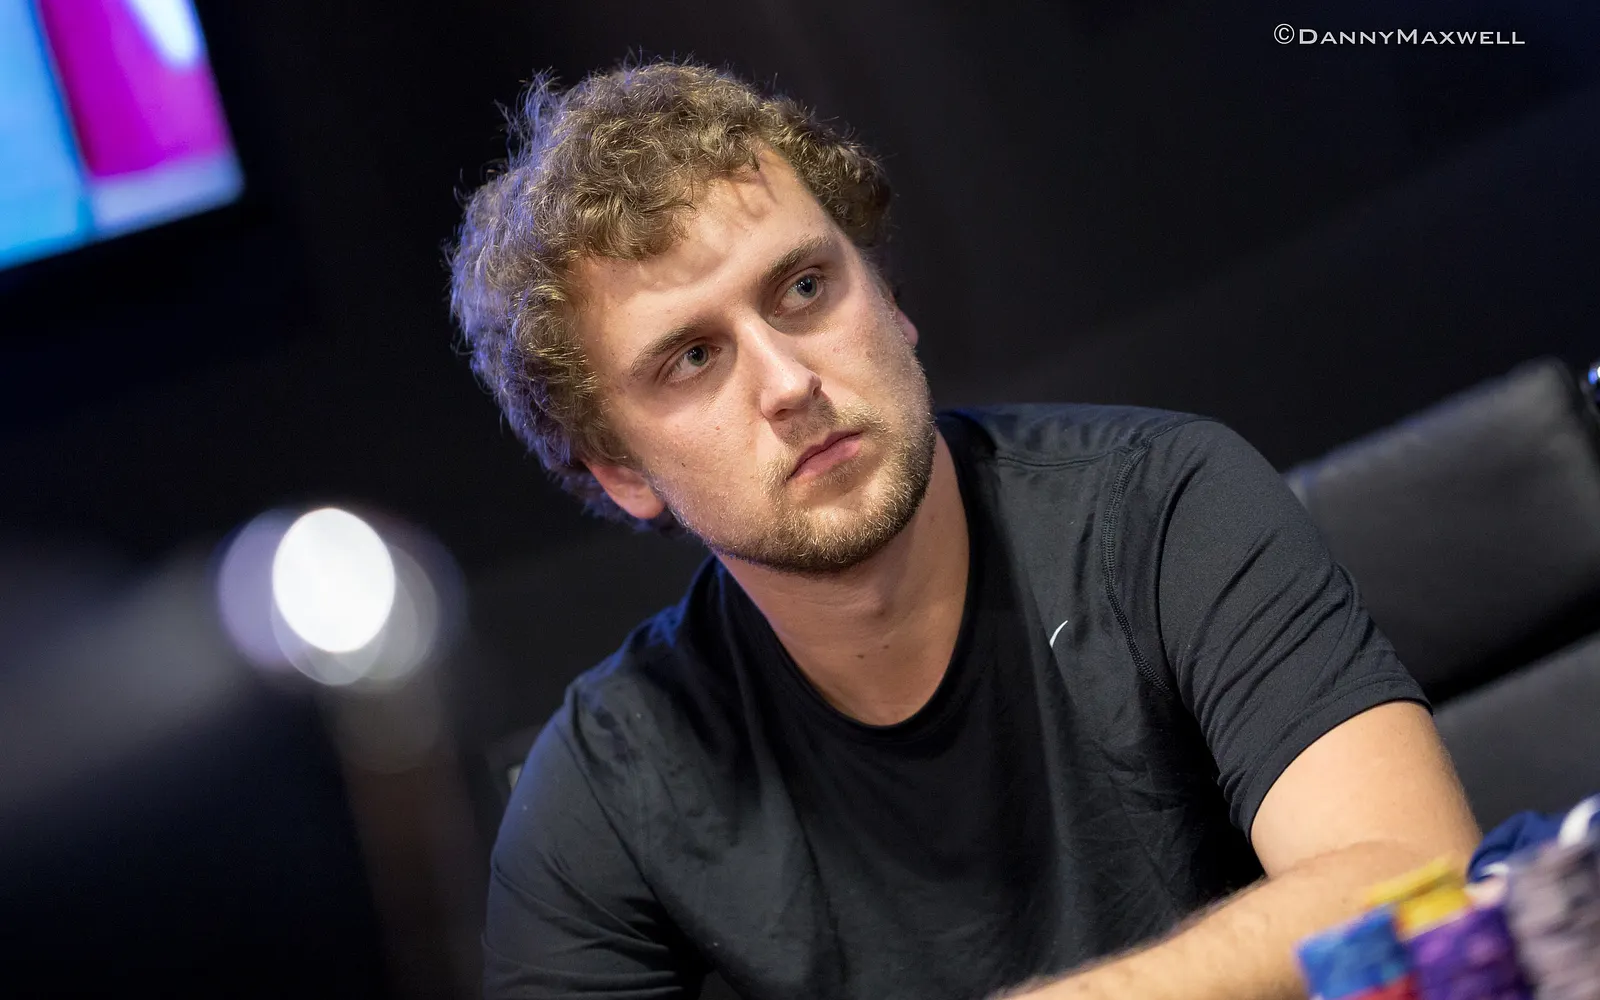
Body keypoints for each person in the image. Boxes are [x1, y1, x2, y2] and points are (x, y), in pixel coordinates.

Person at [447, 59, 1482, 1000]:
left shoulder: (1166, 502)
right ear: (621, 472)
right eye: (692, 358)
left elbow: (1413, 868)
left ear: (889, 300)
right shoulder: (604, 785)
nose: (789, 381)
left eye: (804, 288)